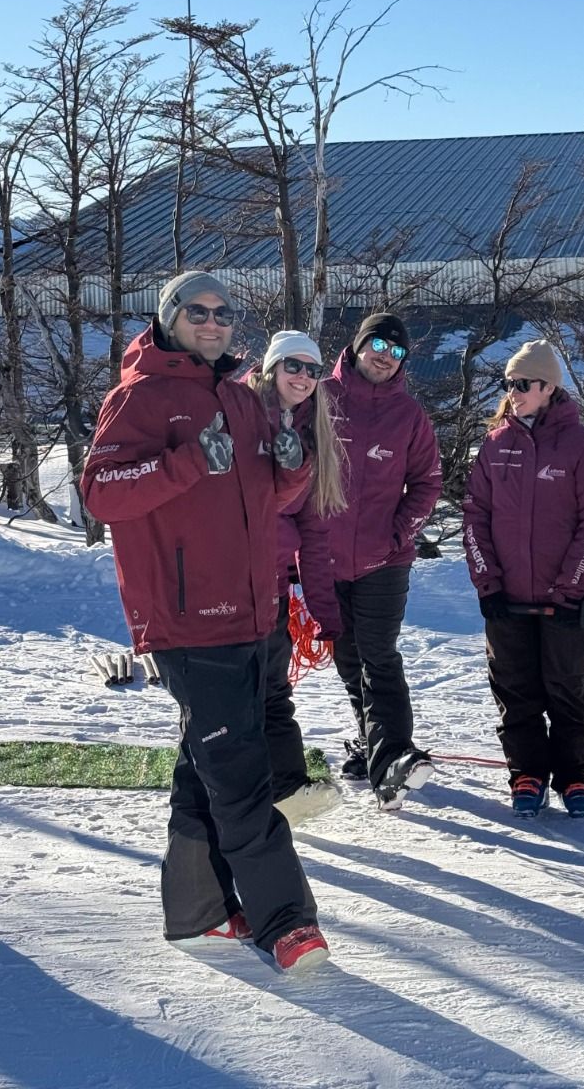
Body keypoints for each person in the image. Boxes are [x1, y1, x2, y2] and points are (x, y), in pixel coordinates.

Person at [81, 271, 330, 975]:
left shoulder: (240, 397)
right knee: (242, 777)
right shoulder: (138, 398)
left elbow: (267, 495)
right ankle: (287, 922)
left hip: (249, 611)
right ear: (169, 318)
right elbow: (100, 492)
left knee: (207, 764)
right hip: (188, 619)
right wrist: (187, 461)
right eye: (198, 311)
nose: (213, 322)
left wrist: (293, 466)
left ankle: (196, 910)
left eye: (223, 313)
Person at [462, 340, 584, 819]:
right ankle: (526, 772)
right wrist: (487, 582)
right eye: (509, 383)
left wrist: (571, 587)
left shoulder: (581, 445)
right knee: (515, 689)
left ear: (549, 387)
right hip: (506, 597)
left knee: (566, 689)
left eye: (523, 383)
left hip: (566, 600)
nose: (514, 391)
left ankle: (574, 775)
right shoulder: (494, 444)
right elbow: (475, 517)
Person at [323, 312, 442, 810]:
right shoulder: (320, 398)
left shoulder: (408, 415)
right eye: (377, 345)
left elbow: (427, 483)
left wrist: (398, 534)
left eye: (396, 352)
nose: (385, 357)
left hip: (384, 563)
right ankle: (372, 742)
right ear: (358, 346)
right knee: (348, 659)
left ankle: (394, 760)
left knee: (379, 657)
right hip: (324, 560)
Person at [245, 330, 347, 827]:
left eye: (313, 370)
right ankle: (230, 796)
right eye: (294, 366)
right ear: (272, 368)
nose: (304, 377)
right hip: (230, 581)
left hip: (274, 587)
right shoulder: (241, 414)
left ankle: (286, 789)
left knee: (273, 690)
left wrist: (325, 611)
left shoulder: (312, 433)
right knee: (231, 696)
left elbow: (315, 532)